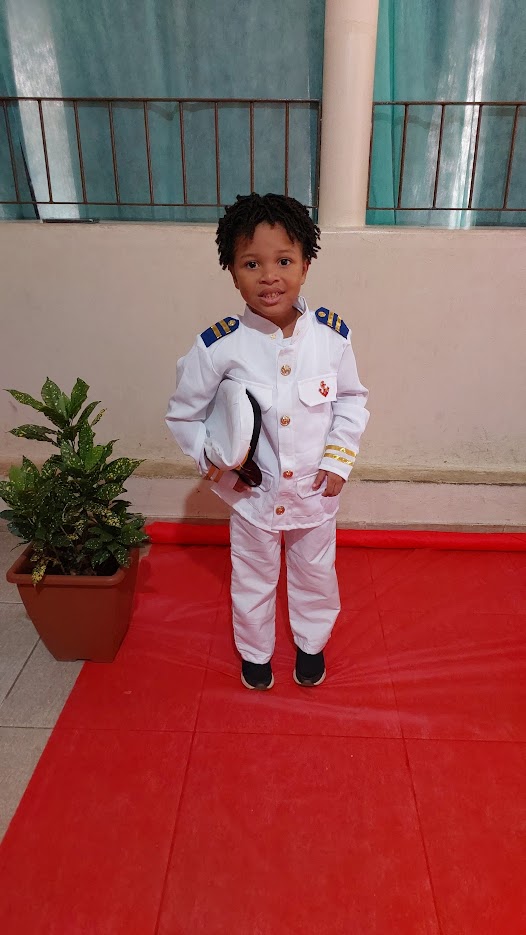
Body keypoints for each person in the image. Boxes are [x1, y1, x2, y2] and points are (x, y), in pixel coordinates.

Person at [166, 193, 369, 691]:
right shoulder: (219, 347)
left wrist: (339, 461)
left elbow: (351, 400)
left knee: (316, 573)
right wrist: (216, 465)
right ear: (232, 273)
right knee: (252, 576)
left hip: (314, 492)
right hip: (253, 496)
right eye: (251, 263)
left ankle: (311, 645)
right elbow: (185, 414)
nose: (269, 276)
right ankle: (255, 653)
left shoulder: (331, 337)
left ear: (305, 266)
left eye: (284, 261)